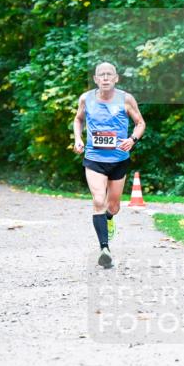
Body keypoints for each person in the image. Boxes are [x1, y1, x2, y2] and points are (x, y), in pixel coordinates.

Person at [73, 62, 145, 268]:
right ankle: (104, 249)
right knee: (98, 199)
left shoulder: (126, 99)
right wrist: (78, 139)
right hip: (95, 158)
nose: (105, 78)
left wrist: (132, 139)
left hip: (118, 160)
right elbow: (78, 120)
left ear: (116, 78)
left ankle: (109, 218)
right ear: (96, 79)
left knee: (113, 206)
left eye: (109, 74)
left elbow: (140, 123)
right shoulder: (86, 98)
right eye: (101, 75)